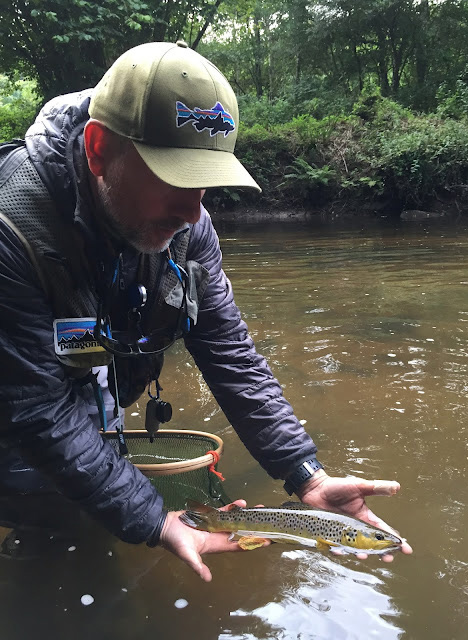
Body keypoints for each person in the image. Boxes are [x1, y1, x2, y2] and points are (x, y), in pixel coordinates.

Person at [0, 41, 412, 581]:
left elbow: (230, 352)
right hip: (16, 389)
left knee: (96, 506)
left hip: (82, 377)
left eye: (205, 181)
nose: (194, 211)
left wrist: (305, 475)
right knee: (49, 527)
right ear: (98, 150)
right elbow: (37, 411)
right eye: (174, 177)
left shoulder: (186, 227)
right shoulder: (13, 230)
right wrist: (155, 521)